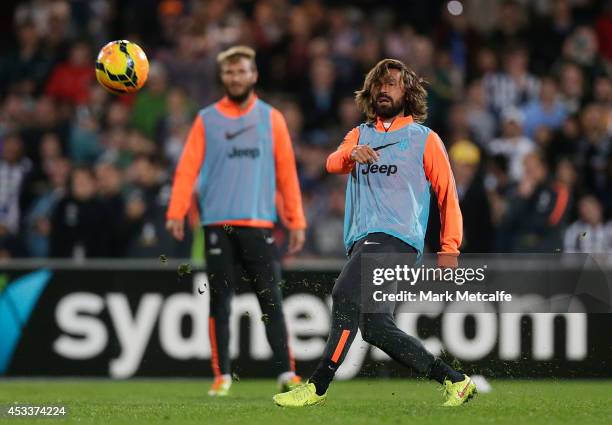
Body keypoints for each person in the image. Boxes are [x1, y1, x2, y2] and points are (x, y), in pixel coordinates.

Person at [273, 59, 475, 408]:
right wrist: (351, 154)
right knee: (376, 327)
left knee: (344, 292)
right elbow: (331, 162)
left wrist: (449, 249)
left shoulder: (424, 139)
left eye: (393, 83)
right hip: (363, 241)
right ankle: (455, 381)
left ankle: (318, 384)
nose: (384, 89)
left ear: (407, 92)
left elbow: (448, 196)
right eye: (379, 84)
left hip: (396, 239)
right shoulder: (360, 134)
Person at [165, 46, 307, 396]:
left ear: (254, 75)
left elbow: (287, 171)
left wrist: (296, 218)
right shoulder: (206, 119)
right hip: (218, 223)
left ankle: (287, 373)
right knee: (220, 301)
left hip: (259, 222)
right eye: (230, 72)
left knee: (270, 299)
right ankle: (222, 376)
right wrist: (176, 209)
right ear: (222, 77)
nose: (236, 77)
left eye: (241, 71)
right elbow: (187, 168)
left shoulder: (271, 118)